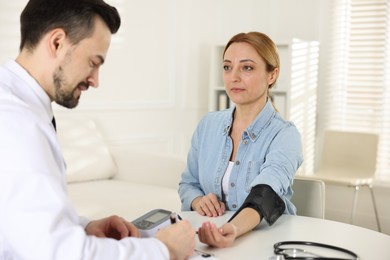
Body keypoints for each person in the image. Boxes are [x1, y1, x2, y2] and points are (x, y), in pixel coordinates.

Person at [0, 0, 195, 259]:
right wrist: (163, 250)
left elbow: (18, 220)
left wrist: (84, 227)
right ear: (57, 42)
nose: (95, 80)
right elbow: (56, 253)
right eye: (94, 62)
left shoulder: (18, 104)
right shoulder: (17, 121)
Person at [178, 32, 303, 248]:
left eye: (247, 68)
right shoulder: (208, 125)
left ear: (272, 75)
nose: (233, 77)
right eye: (227, 67)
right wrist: (199, 201)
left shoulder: (285, 135)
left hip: (266, 241)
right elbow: (188, 184)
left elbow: (266, 194)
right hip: (213, 237)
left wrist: (233, 228)